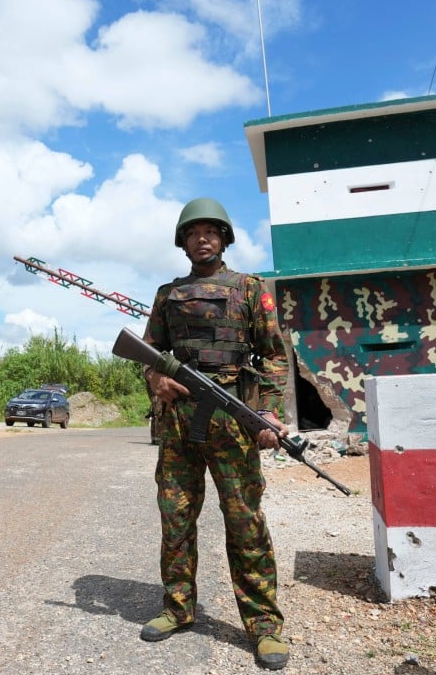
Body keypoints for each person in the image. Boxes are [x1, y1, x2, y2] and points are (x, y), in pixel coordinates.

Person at [140, 198, 291, 670]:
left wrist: (267, 415)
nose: (202, 238)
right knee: (176, 518)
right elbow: (149, 351)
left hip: (232, 418)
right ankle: (178, 608)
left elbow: (275, 355)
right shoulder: (168, 294)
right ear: (182, 241)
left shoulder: (250, 289)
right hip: (179, 422)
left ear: (224, 238)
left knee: (244, 521)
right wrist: (156, 379)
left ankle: (264, 626)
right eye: (192, 232)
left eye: (211, 231)